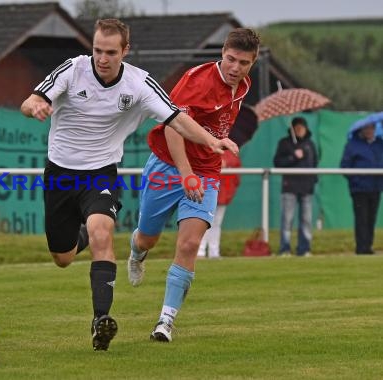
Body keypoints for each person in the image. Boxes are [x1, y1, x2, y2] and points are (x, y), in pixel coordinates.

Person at [20, 18, 238, 351]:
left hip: (101, 174)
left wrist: (211, 142)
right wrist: (35, 105)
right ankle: (77, 238)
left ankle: (100, 324)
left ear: (125, 51)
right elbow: (31, 100)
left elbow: (177, 119)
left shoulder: (139, 84)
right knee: (62, 257)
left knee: (103, 234)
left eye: (110, 52)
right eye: (96, 50)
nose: (101, 59)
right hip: (61, 173)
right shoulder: (73, 69)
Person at [127, 28, 260, 342]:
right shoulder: (196, 81)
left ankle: (165, 322)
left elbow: (216, 123)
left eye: (243, 63)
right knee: (148, 237)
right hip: (167, 164)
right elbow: (173, 128)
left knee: (189, 244)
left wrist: (214, 146)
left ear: (251, 63)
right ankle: (136, 252)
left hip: (207, 170)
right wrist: (185, 172)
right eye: (230, 59)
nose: (235, 68)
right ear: (222, 54)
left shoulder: (243, 86)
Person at [273, 117, 318, 257]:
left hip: (307, 188)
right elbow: (277, 162)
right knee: (287, 219)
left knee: (306, 220)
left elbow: (315, 164)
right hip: (290, 187)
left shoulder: (310, 145)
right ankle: (285, 248)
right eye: (297, 128)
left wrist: (312, 181)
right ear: (292, 129)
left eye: (302, 128)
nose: (299, 130)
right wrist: (293, 156)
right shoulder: (285, 143)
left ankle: (304, 248)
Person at [340, 123, 383, 254]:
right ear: (361, 130)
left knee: (371, 218)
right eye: (367, 128)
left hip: (375, 187)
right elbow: (344, 166)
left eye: (372, 128)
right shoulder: (353, 145)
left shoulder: (379, 144)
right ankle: (361, 247)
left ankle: (368, 246)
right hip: (359, 189)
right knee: (361, 218)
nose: (370, 131)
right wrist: (356, 180)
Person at [197, 150, 241, 259]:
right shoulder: (206, 148)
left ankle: (214, 252)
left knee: (216, 224)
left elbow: (236, 176)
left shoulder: (231, 153)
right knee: (204, 222)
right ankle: (200, 251)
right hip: (207, 191)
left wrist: (226, 164)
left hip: (223, 193)